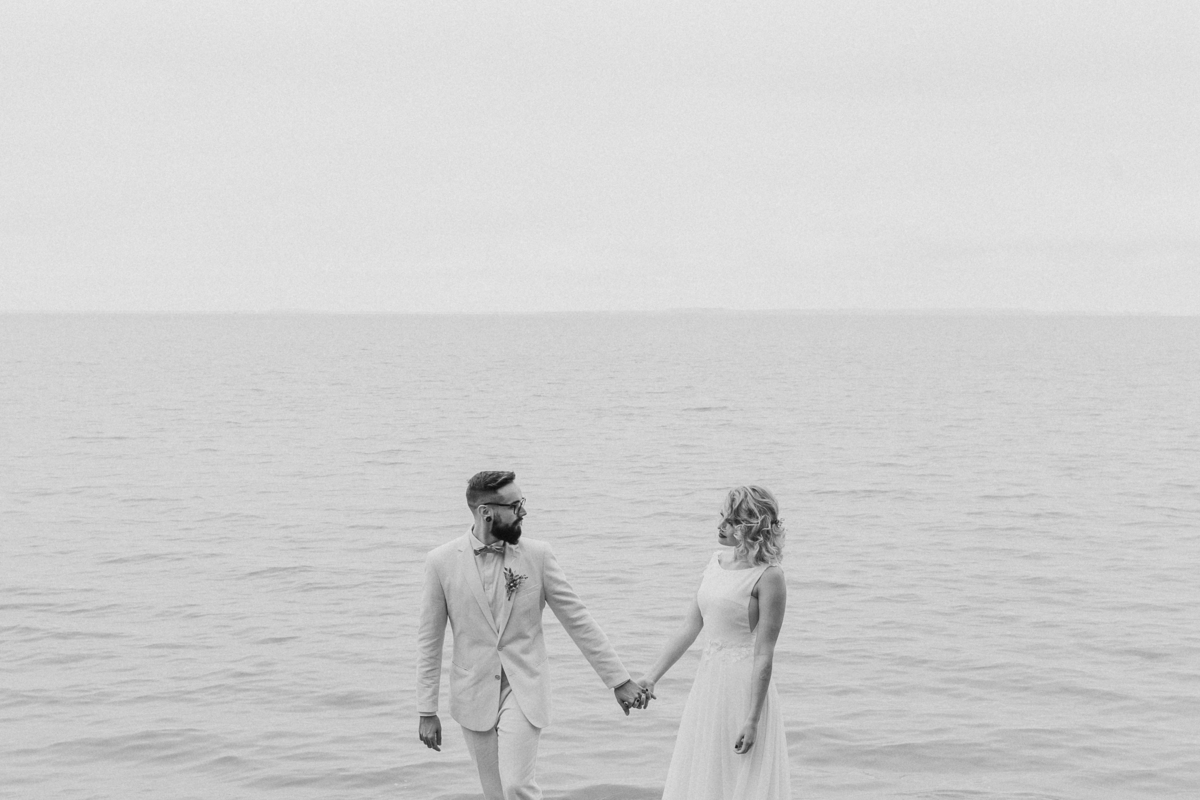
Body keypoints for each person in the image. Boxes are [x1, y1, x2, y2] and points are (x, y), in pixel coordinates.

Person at [416, 471, 645, 800]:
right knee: (496, 793)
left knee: (517, 786)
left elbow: (577, 618)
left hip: (524, 687)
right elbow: (429, 641)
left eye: (522, 503)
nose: (523, 512)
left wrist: (618, 680)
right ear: (486, 513)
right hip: (472, 691)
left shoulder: (537, 555)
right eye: (515, 505)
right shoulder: (440, 562)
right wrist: (427, 710)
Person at [635, 486, 791, 799]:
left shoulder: (770, 576)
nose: (721, 526)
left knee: (739, 777)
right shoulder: (715, 561)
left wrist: (753, 719)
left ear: (749, 528)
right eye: (722, 516)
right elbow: (689, 627)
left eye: (731, 521)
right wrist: (651, 677)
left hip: (744, 689)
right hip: (708, 685)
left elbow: (764, 653)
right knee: (703, 773)